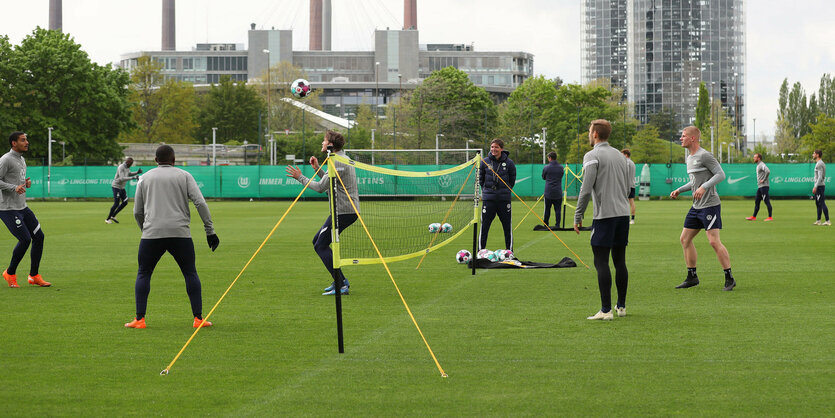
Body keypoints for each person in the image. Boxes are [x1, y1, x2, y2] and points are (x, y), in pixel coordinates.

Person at [125, 145, 219, 329]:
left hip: (152, 234)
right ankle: (198, 319)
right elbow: (200, 202)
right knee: (190, 272)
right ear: (174, 160)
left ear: (155, 160)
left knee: (144, 273)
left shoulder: (145, 177)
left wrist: (145, 229)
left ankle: (140, 319)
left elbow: (137, 211)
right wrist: (210, 230)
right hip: (180, 233)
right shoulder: (184, 175)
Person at [286, 131, 359, 296]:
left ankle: (341, 284)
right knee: (317, 241)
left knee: (320, 245)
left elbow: (320, 188)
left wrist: (300, 177)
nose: (322, 143)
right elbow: (330, 181)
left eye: (324, 141)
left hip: (344, 212)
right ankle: (340, 280)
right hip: (342, 211)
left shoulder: (338, 162)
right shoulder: (338, 159)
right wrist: (317, 169)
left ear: (330, 145)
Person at [574, 120, 631, 320]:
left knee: (601, 262)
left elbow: (585, 189)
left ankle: (606, 310)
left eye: (589, 131)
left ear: (595, 134)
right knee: (620, 261)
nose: (589, 134)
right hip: (623, 214)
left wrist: (578, 215)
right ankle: (621, 307)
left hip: (605, 216)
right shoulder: (620, 156)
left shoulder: (592, 155)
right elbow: (627, 187)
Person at [670, 126, 735, 291]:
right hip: (696, 206)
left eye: (683, 136)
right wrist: (679, 189)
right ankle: (692, 276)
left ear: (692, 138)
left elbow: (720, 174)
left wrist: (704, 187)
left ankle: (729, 278)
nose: (681, 138)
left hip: (710, 206)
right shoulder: (689, 158)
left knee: (713, 241)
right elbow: (694, 183)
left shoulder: (705, 155)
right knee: (684, 239)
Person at [0, 132, 50, 288]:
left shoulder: (21, 159)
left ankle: (34, 275)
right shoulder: (6, 159)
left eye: (26, 139)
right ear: (14, 143)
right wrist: (14, 187)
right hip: (8, 209)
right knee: (25, 239)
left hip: (23, 207)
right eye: (23, 140)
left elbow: (16, 181)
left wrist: (24, 183)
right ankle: (10, 273)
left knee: (39, 237)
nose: (27, 142)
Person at [479, 139, 516, 252]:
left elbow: (512, 180)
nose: (493, 149)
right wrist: (487, 191)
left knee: (507, 227)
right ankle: (481, 251)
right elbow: (481, 180)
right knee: (484, 226)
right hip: (489, 199)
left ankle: (509, 251)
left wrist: (504, 191)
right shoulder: (484, 162)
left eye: (496, 147)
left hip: (503, 199)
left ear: (501, 149)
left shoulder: (509, 163)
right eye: (492, 147)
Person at [106, 157, 142, 224]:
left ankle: (113, 216)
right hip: (116, 187)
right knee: (116, 203)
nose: (131, 164)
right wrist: (133, 178)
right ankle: (108, 219)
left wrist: (137, 172)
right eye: (131, 163)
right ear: (128, 162)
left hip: (122, 188)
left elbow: (129, 173)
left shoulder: (127, 167)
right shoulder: (121, 167)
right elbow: (122, 178)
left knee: (125, 202)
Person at [746, 153, 773, 221]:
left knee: (767, 201)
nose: (753, 158)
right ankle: (754, 217)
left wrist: (763, 179)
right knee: (757, 201)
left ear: (759, 158)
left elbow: (768, 171)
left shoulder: (761, 164)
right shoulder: (758, 165)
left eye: (755, 157)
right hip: (760, 187)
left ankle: (770, 217)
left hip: (764, 187)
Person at [541, 151, 564, 227]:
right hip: (558, 191)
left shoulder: (546, 167)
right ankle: (557, 225)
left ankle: (546, 224)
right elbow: (561, 176)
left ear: (550, 158)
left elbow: (543, 177)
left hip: (548, 192)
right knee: (558, 210)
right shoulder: (561, 168)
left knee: (547, 209)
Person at [812, 149, 830, 226]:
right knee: (818, 203)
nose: (813, 155)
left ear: (817, 155)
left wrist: (815, 186)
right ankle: (818, 220)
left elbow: (820, 177)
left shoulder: (819, 164)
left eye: (814, 153)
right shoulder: (820, 163)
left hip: (819, 186)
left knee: (822, 203)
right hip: (819, 186)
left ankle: (827, 220)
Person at [621, 149, 637, 224]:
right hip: (631, 184)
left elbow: (625, 173)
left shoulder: (626, 162)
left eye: (622, 154)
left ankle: (629, 219)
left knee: (629, 202)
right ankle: (632, 219)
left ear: (626, 155)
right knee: (630, 202)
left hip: (627, 185)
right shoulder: (632, 162)